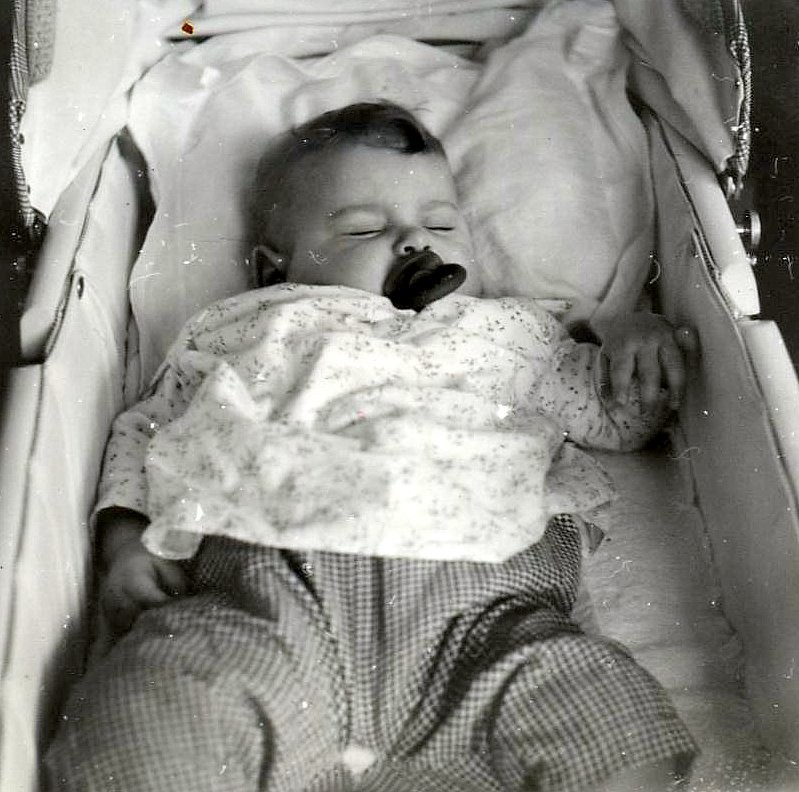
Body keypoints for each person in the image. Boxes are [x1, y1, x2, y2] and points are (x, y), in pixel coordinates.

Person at [45, 102, 696, 792]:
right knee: (149, 713)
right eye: (364, 227)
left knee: (613, 727)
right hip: (265, 601)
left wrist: (633, 337)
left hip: (488, 621)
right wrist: (125, 540)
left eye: (440, 224)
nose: (415, 241)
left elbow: (616, 419)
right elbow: (147, 429)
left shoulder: (512, 331)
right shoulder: (240, 326)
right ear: (273, 269)